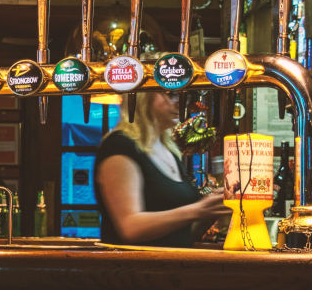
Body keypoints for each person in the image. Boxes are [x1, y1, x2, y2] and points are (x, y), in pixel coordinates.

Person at [95, 92, 230, 247]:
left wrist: (212, 210)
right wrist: (197, 210)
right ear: (142, 97)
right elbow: (130, 227)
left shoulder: (169, 150)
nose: (179, 101)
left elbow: (182, 235)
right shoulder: (119, 145)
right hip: (134, 267)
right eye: (170, 94)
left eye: (180, 94)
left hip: (172, 266)